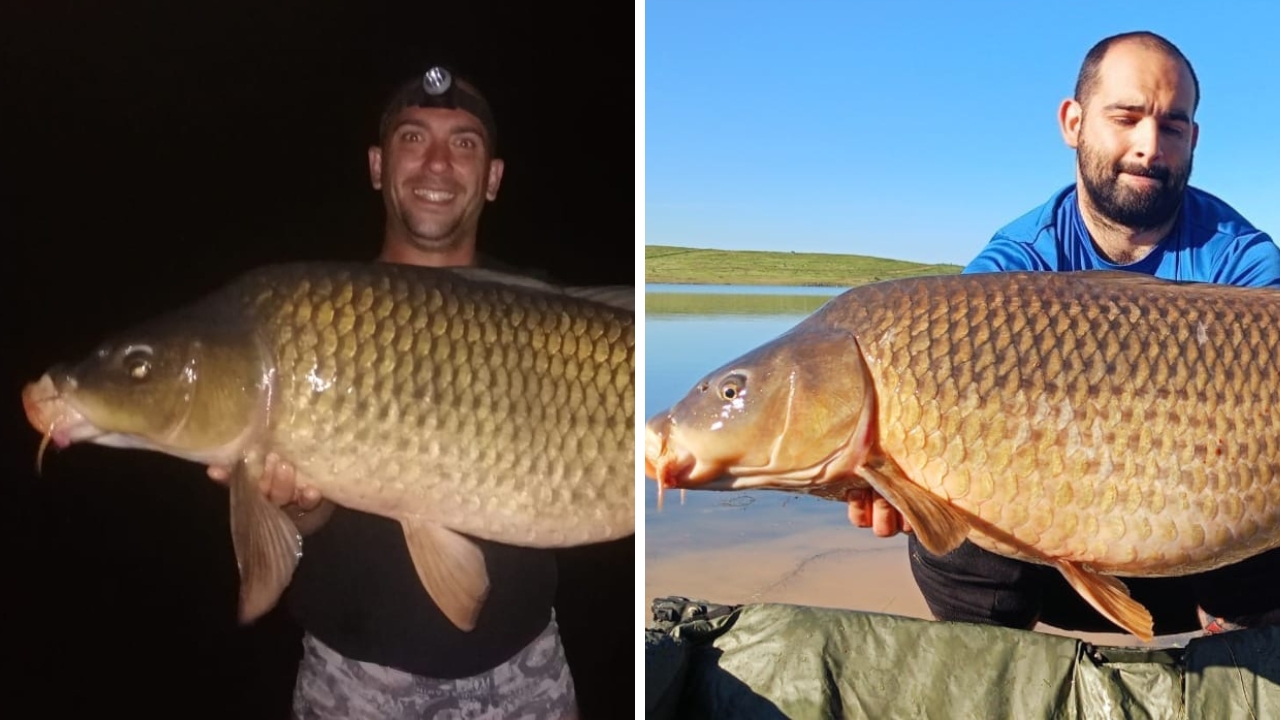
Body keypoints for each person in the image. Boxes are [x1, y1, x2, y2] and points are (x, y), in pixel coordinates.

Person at [848, 31, 1280, 638]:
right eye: (1125, 118)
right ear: (1073, 122)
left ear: (1193, 139)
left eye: (1173, 127)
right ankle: (992, 662)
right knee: (952, 518)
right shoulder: (1013, 267)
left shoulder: (1243, 265)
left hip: (1210, 557)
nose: (1148, 147)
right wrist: (897, 480)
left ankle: (1240, 665)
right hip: (1045, 568)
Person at [208, 65, 580, 719]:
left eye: (464, 143)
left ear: (492, 177)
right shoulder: (304, 317)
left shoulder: (547, 316)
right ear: (378, 165)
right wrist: (296, 508)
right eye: (414, 138)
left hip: (523, 677)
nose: (437, 163)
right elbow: (310, 519)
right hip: (352, 683)